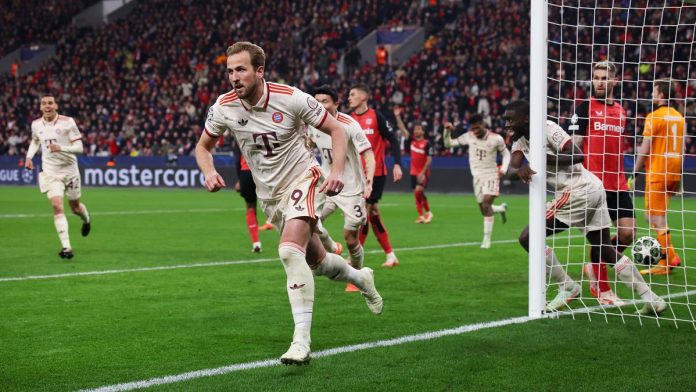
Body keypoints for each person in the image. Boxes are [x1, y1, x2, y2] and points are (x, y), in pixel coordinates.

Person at [196, 42, 383, 366]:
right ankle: (361, 277)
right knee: (319, 263)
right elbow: (203, 147)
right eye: (229, 71)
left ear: (259, 71)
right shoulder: (224, 106)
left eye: (241, 69)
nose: (234, 77)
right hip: (270, 196)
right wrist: (209, 171)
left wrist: (336, 171)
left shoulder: (292, 97)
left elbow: (336, 129)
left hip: (303, 179)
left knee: (287, 251)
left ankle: (301, 341)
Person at [505, 100, 664, 314]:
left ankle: (567, 285)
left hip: (576, 191)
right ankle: (652, 298)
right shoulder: (519, 141)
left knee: (528, 237)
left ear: (525, 119)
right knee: (605, 250)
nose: (507, 124)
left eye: (510, 120)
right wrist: (520, 171)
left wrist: (546, 159)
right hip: (593, 189)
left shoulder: (548, 128)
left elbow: (578, 154)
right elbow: (510, 171)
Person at [568, 61, 633, 305]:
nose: (599, 81)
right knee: (601, 238)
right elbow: (573, 145)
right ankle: (603, 290)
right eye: (596, 77)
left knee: (627, 234)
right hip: (594, 183)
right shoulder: (584, 108)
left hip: (619, 182)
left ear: (615, 81)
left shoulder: (622, 111)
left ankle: (595, 266)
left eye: (605, 77)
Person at [307, 85, 376, 292]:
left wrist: (369, 181)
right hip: (327, 185)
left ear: (336, 103)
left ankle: (357, 274)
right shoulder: (313, 123)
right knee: (309, 221)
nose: (319, 106)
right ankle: (331, 248)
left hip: (351, 189)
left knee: (350, 237)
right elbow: (308, 144)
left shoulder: (350, 124)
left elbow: (368, 154)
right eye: (316, 101)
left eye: (324, 101)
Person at [25, 93, 91, 259]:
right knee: (57, 206)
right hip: (51, 171)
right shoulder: (36, 124)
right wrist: (28, 157)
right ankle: (67, 247)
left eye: (50, 103)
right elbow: (35, 141)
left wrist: (61, 148)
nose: (47, 106)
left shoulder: (68, 122)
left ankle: (86, 220)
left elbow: (80, 147)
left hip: (70, 170)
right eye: (44, 103)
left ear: (56, 106)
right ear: (40, 107)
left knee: (75, 208)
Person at [633, 79, 686, 275]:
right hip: (673, 171)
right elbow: (682, 148)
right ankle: (672, 255)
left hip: (657, 171)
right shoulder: (679, 117)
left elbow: (644, 149)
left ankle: (666, 263)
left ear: (662, 95)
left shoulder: (654, 117)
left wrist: (635, 172)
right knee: (651, 216)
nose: (652, 95)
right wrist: (679, 177)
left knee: (657, 218)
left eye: (654, 92)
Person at [348, 84, 403, 267]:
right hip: (357, 176)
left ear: (364, 97)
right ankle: (390, 255)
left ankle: (356, 257)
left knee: (364, 213)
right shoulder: (349, 119)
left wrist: (397, 163)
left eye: (353, 94)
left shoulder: (376, 117)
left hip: (376, 174)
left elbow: (393, 139)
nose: (349, 98)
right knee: (371, 214)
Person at [443, 113, 509, 248]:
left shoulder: (496, 139)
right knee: (483, 209)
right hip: (477, 178)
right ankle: (501, 209)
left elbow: (506, 153)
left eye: (477, 128)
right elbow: (448, 143)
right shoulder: (469, 136)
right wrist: (447, 130)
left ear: (483, 124)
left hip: (492, 175)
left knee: (485, 204)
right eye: (473, 129)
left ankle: (486, 241)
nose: (475, 131)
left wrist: (504, 168)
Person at [393, 107, 434, 224]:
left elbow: (429, 159)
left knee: (418, 192)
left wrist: (423, 172)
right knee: (418, 194)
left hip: (422, 172)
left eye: (419, 129)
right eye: (415, 129)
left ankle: (427, 213)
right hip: (413, 172)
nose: (416, 131)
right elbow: (402, 129)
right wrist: (397, 117)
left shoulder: (427, 144)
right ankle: (422, 215)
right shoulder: (412, 141)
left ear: (423, 131)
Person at [234, 151, 273, 253]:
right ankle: (288, 243)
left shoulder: (243, 138)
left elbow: (238, 160)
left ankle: (256, 243)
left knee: (250, 207)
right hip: (262, 172)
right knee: (273, 204)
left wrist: (239, 180)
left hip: (246, 172)